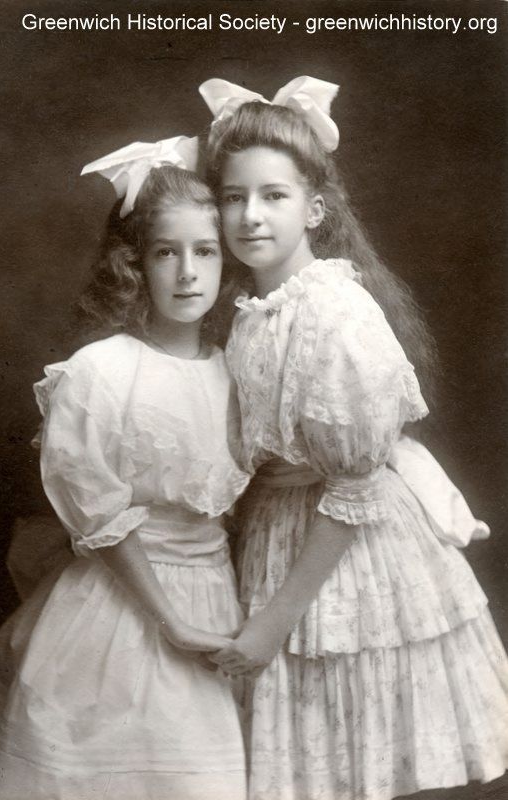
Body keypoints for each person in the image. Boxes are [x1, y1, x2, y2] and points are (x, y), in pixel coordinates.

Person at [200, 77, 508, 800]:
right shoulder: (254, 308)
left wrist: (274, 622)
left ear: (314, 209)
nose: (250, 215)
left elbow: (354, 486)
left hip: (346, 551)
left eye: (273, 196)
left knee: (355, 758)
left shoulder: (335, 312)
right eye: (234, 197)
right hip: (278, 531)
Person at [0, 136, 249, 800]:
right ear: (135, 263)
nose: (188, 273)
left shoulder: (236, 371)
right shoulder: (102, 370)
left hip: (216, 596)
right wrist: (171, 621)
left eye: (205, 251)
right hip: (120, 607)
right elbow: (96, 509)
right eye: (166, 253)